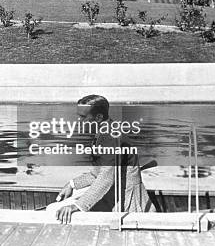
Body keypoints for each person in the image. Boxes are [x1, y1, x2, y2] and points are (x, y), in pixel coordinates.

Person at [48, 94, 154, 223]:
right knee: (55, 209)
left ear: (98, 117)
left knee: (55, 212)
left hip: (126, 202)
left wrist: (77, 206)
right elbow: (98, 173)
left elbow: (106, 177)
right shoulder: (105, 131)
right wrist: (72, 184)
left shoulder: (110, 137)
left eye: (83, 117)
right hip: (113, 193)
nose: (78, 120)